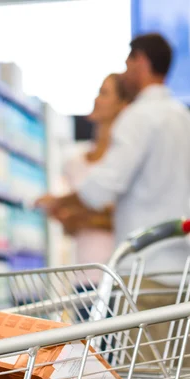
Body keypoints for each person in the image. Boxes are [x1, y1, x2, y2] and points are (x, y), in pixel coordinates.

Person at [37, 33, 190, 366]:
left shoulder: (139, 117)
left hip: (143, 270)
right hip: (179, 268)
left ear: (141, 62)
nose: (125, 70)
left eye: (128, 62)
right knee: (179, 375)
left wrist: (61, 200)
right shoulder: (187, 120)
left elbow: (102, 188)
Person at [62, 73, 132, 269]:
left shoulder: (124, 159)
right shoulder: (74, 163)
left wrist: (79, 214)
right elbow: (68, 225)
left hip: (117, 273)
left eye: (104, 93)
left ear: (122, 104)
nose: (96, 99)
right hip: (82, 272)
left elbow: (126, 217)